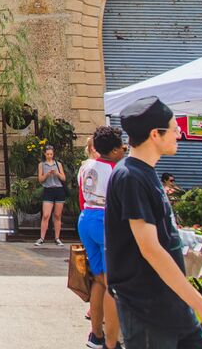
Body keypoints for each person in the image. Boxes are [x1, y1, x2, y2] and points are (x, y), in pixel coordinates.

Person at [106, 96, 202, 349]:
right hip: (147, 308)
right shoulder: (130, 177)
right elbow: (150, 249)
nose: (179, 134)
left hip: (173, 301)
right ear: (156, 134)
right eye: (175, 129)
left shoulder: (146, 172)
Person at [78, 126, 125, 349]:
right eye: (121, 146)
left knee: (98, 279)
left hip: (86, 217)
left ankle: (95, 335)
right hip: (105, 221)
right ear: (114, 150)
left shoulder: (85, 167)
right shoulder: (117, 170)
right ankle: (111, 341)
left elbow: (80, 195)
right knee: (112, 284)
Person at [35, 144, 67, 247]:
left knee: (57, 215)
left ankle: (57, 238)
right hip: (48, 190)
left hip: (59, 190)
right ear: (45, 154)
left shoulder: (58, 164)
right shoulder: (41, 165)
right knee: (46, 215)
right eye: (48, 154)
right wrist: (47, 174)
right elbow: (40, 179)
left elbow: (64, 178)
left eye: (51, 154)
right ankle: (42, 238)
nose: (49, 156)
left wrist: (57, 173)